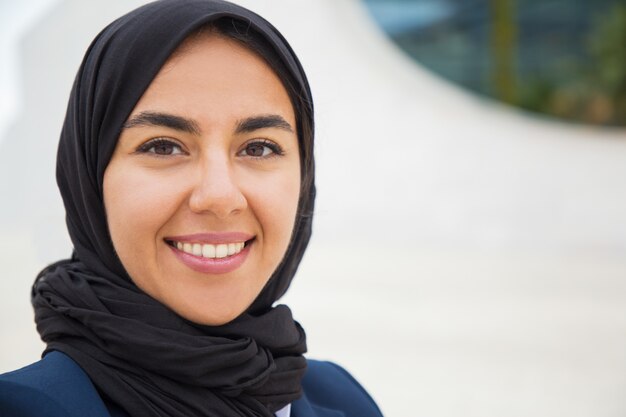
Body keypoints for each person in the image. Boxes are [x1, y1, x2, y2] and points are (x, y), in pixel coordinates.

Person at [0, 1, 384, 416]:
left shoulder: (341, 400)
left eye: (259, 147)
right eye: (162, 146)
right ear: (90, 179)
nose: (219, 197)